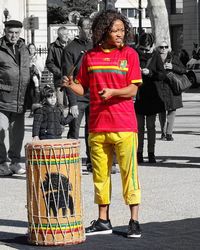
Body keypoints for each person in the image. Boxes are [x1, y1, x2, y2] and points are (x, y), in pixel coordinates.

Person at [62, 9, 142, 238]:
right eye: (115, 30)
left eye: (122, 30)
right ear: (103, 31)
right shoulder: (90, 56)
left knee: (130, 174)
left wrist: (114, 92)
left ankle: (134, 221)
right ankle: (103, 220)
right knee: (100, 175)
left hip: (125, 125)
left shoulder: (130, 55)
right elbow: (83, 88)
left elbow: (133, 88)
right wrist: (70, 85)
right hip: (97, 126)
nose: (120, 34)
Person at [62, 17, 93, 172]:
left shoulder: (96, 47)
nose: (89, 30)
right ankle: (71, 161)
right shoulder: (70, 49)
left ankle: (91, 161)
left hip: (93, 96)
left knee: (92, 131)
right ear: (79, 28)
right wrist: (72, 102)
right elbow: (68, 78)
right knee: (74, 129)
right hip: (78, 97)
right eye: (86, 27)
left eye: (90, 27)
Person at [0, 20, 30, 176]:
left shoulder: (24, 49)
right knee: (0, 130)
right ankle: (1, 162)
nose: (13, 36)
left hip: (20, 98)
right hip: (2, 98)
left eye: (17, 33)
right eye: (11, 32)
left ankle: (15, 162)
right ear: (5, 31)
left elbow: (26, 71)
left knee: (17, 133)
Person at [134, 33, 166, 163]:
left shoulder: (155, 55)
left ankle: (151, 153)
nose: (144, 51)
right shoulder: (134, 55)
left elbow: (162, 75)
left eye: (146, 49)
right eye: (141, 48)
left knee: (151, 127)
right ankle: (139, 153)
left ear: (151, 46)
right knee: (139, 127)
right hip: (138, 95)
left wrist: (150, 73)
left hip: (152, 95)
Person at [157, 40, 186, 141]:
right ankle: (163, 132)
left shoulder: (173, 58)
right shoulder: (154, 58)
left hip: (172, 88)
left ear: (168, 48)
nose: (163, 49)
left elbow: (183, 70)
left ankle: (169, 133)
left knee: (172, 111)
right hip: (160, 88)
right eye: (161, 47)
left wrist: (173, 67)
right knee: (161, 111)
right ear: (158, 48)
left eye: (165, 47)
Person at [46, 26, 68, 107]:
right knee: (60, 104)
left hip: (71, 78)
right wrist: (60, 73)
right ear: (59, 35)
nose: (67, 36)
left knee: (72, 104)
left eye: (67, 34)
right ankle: (60, 118)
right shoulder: (53, 47)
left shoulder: (71, 45)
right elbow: (49, 63)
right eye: (64, 34)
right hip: (59, 80)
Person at [27, 43, 44, 117]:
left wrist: (35, 63)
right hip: (28, 77)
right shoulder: (26, 57)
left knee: (35, 94)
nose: (31, 50)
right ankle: (32, 109)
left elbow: (42, 68)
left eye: (33, 48)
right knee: (30, 94)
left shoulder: (37, 57)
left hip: (35, 77)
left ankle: (33, 111)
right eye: (30, 48)